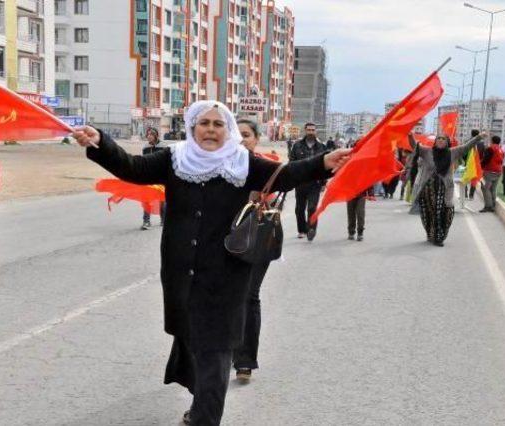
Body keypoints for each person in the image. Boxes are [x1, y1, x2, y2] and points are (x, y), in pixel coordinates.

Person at [73, 100, 351, 426]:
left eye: (218, 124)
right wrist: (100, 143)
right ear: (192, 127)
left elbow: (285, 175)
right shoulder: (175, 159)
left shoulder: (242, 162)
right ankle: (200, 402)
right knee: (192, 340)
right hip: (182, 274)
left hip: (226, 277)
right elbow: (132, 167)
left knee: (216, 350)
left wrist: (323, 162)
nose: (210, 130)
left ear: (228, 130)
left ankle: (204, 417)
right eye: (203, 123)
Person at [232, 118, 272, 383]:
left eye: (246, 134)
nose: (241, 139)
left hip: (257, 237)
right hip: (224, 239)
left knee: (248, 296)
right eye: (235, 134)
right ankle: (220, 351)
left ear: (256, 138)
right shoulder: (216, 165)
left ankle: (244, 361)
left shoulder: (264, 168)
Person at [409, 132, 484, 247]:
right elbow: (415, 146)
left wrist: (478, 137)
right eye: (438, 138)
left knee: (445, 212)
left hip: (445, 189)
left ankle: (439, 237)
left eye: (443, 139)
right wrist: (410, 135)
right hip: (427, 190)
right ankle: (431, 233)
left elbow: (467, 146)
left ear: (447, 141)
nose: (440, 140)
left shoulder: (453, 152)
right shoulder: (427, 151)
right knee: (428, 214)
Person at [289, 122, 327, 241]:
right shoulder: (297, 146)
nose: (311, 132)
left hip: (315, 183)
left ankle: (311, 229)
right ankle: (301, 230)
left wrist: (324, 182)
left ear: (315, 131)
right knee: (299, 209)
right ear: (305, 131)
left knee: (312, 208)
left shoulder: (321, 147)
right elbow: (291, 162)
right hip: (300, 182)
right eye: (309, 130)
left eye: (313, 130)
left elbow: (325, 165)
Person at [140, 127, 167, 230]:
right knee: (146, 199)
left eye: (151, 134)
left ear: (155, 135)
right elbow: (143, 162)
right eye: (148, 134)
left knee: (162, 200)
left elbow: (166, 162)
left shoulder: (163, 147)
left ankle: (164, 220)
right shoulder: (145, 147)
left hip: (160, 178)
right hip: (148, 177)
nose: (149, 136)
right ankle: (146, 221)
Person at [480, 135, 505, 213]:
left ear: (492, 140)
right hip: (498, 171)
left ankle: (488, 206)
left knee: (485, 188)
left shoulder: (490, 148)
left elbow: (486, 159)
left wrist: (480, 166)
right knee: (493, 188)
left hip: (489, 171)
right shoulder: (501, 149)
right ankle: (493, 205)